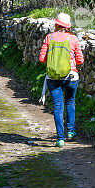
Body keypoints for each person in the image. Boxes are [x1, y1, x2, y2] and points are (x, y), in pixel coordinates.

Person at [38, 12, 84, 147]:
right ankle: (71, 131)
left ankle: (60, 139)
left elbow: (42, 59)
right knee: (70, 102)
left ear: (56, 24)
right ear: (68, 26)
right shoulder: (73, 39)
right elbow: (80, 60)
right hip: (71, 77)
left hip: (53, 77)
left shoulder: (49, 38)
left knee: (58, 106)